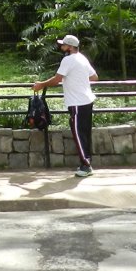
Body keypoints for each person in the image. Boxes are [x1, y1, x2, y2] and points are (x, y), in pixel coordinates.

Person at [31, 34, 97, 177]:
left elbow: (57, 80)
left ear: (70, 47)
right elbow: (94, 77)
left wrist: (41, 84)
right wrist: (78, 78)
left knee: (78, 133)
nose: (61, 47)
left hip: (77, 102)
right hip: (87, 100)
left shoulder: (68, 60)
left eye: (64, 45)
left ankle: (86, 166)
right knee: (85, 133)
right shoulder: (82, 58)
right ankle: (86, 161)